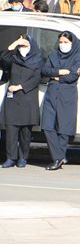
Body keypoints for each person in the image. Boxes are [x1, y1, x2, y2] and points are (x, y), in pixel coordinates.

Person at [40, 32, 80, 170]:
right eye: (61, 42)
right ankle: (59, 157)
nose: (63, 45)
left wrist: (58, 75)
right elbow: (45, 70)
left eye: (66, 42)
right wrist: (60, 72)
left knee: (64, 128)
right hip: (52, 92)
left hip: (67, 94)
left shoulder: (77, 57)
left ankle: (57, 159)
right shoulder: (53, 55)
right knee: (47, 126)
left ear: (72, 43)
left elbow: (73, 76)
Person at [1, 35, 44, 168]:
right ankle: (10, 157)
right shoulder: (14, 59)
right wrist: (14, 44)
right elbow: (3, 58)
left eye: (24, 46)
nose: (22, 49)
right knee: (11, 130)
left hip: (28, 99)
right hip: (13, 100)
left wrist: (20, 87)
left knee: (26, 132)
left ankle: (22, 157)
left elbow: (37, 78)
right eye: (20, 46)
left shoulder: (37, 60)